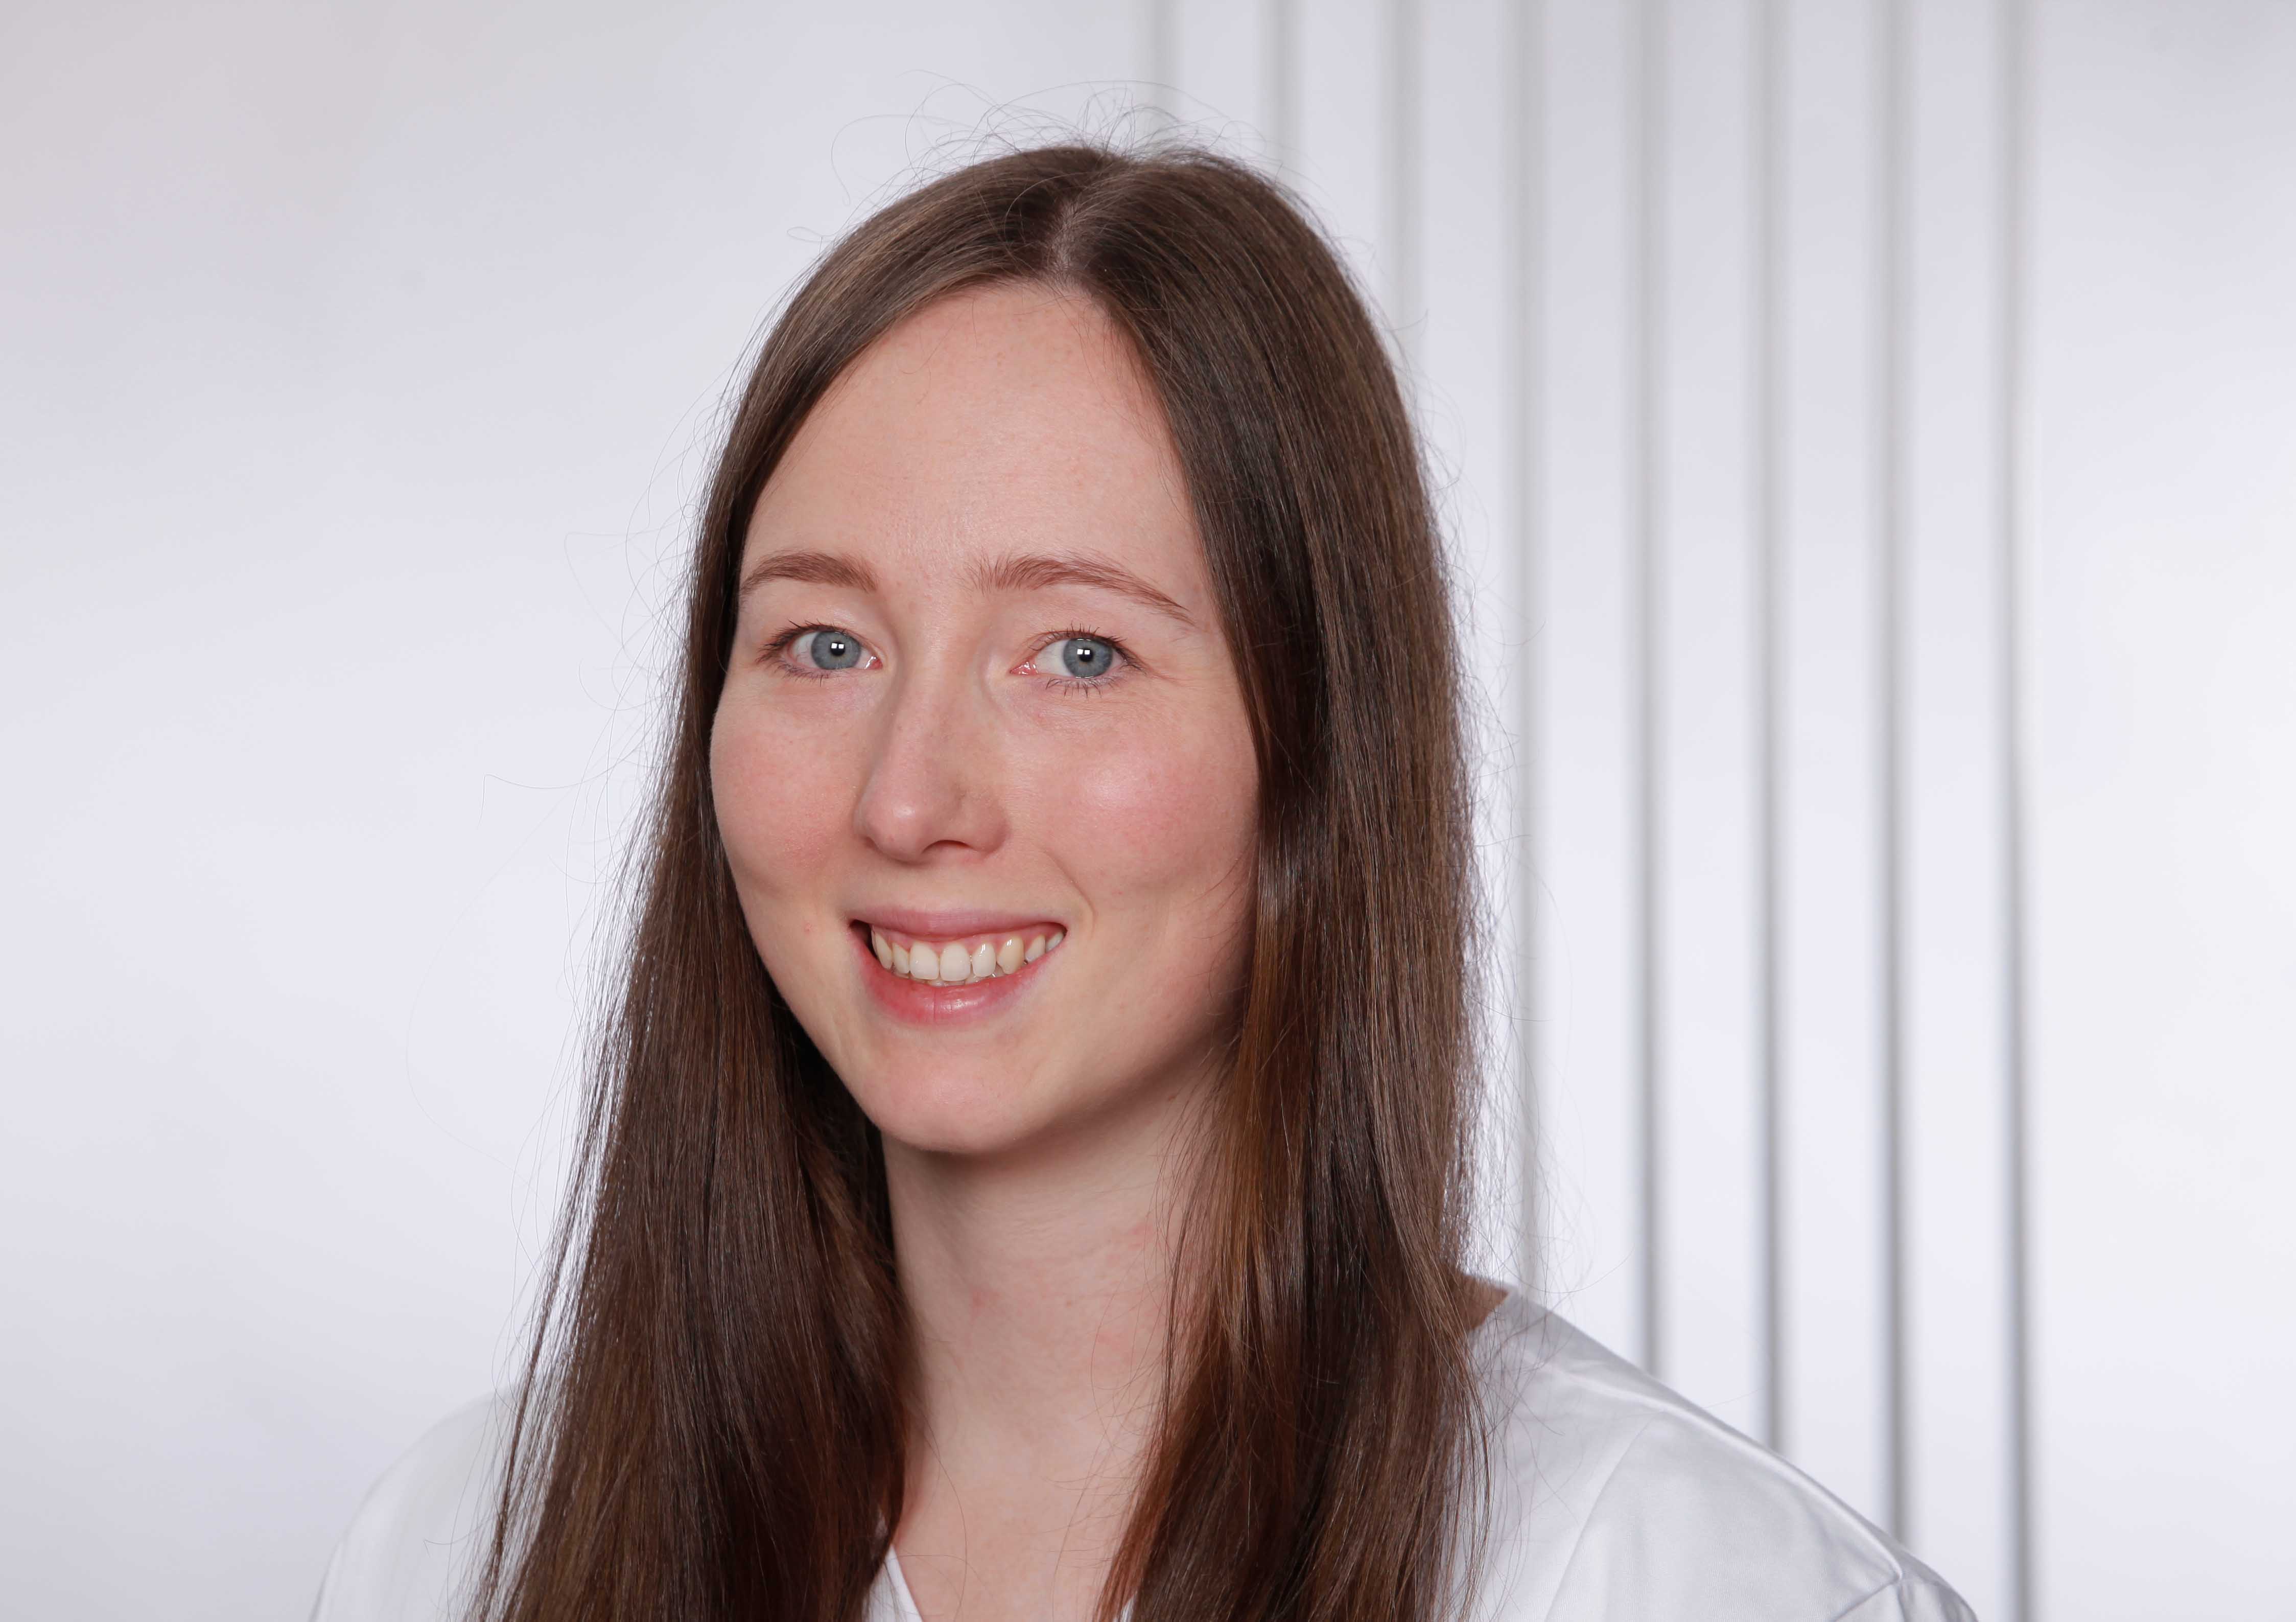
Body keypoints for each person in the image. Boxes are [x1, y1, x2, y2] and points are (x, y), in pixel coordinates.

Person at [311, 143, 1973, 1622]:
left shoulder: (1691, 1587)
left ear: (1317, 744)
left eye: (1079, 654)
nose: (909, 799)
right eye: (824, 644)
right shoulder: (459, 1558)